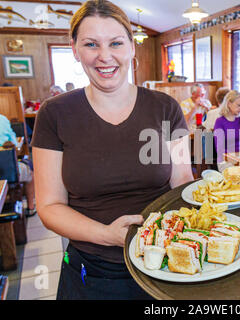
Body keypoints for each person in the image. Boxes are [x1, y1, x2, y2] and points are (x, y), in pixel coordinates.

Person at [31, 0, 193, 300]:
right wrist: (107, 235)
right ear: (75, 49)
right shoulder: (54, 114)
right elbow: (50, 206)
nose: (104, 57)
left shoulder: (165, 107)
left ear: (132, 47)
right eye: (91, 44)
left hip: (167, 263)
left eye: (116, 43)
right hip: (93, 272)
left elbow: (182, 180)